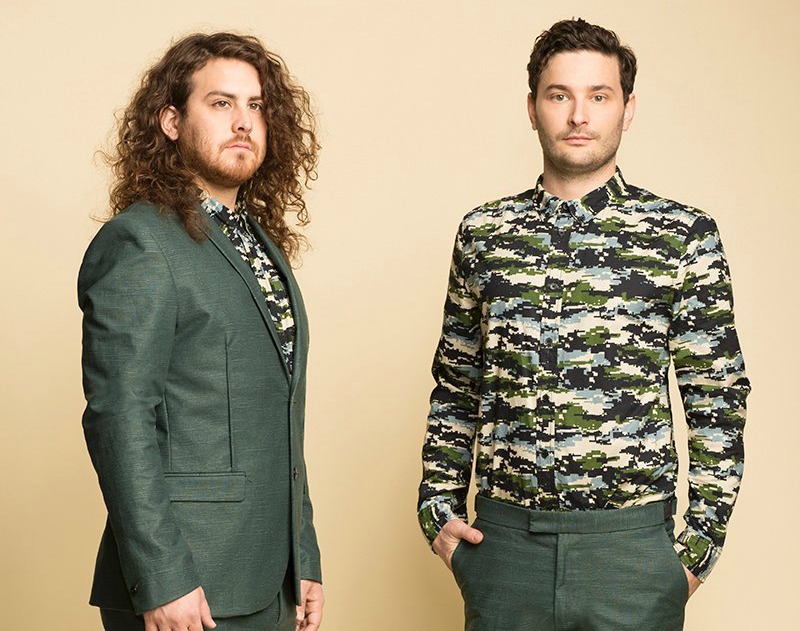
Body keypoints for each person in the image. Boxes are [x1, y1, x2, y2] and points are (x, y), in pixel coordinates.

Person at [418, 18, 750, 631]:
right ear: (532, 108)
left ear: (628, 109)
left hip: (631, 554)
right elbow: (457, 385)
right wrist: (437, 511)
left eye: (599, 95)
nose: (578, 115)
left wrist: (694, 551)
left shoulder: (682, 236)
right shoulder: (484, 233)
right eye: (559, 95)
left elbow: (717, 397)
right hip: (505, 552)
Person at [79, 32, 323, 631]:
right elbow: (120, 417)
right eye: (221, 103)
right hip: (184, 586)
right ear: (170, 122)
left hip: (268, 580)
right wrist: (164, 578)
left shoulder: (257, 243)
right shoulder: (140, 242)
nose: (243, 121)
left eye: (256, 105)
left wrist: (304, 555)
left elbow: (278, 418)